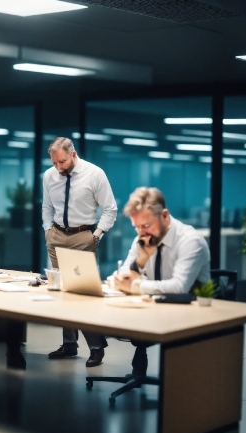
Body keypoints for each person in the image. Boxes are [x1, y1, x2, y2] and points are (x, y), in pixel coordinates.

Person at [112, 186, 210, 374]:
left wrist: (135, 285)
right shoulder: (143, 238)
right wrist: (140, 261)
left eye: (146, 226)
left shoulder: (190, 241)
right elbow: (124, 273)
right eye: (137, 227)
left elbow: (179, 287)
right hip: (155, 309)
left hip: (190, 317)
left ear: (164, 216)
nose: (141, 233)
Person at [42, 137, 117, 368]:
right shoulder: (49, 176)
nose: (58, 167)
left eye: (62, 162)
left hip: (83, 237)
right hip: (56, 236)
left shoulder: (94, 174)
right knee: (62, 292)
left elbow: (110, 208)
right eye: (54, 162)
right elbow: (47, 206)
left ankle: (96, 348)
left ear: (73, 155)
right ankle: (69, 344)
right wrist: (48, 230)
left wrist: (96, 235)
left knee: (82, 293)